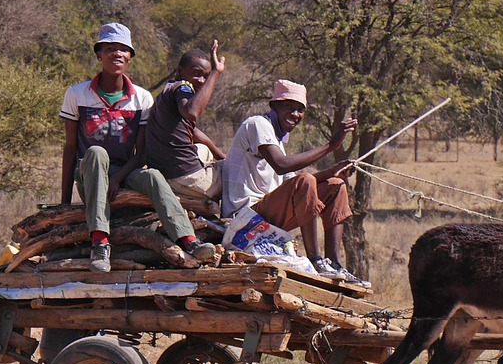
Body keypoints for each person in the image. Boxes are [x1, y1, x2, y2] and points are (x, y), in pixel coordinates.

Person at [59, 22, 217, 272]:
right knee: (97, 152)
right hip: (89, 172)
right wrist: (64, 203)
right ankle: (100, 242)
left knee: (153, 175)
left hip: (124, 171)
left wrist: (119, 178)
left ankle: (187, 239)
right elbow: (70, 148)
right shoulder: (77, 94)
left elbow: (142, 151)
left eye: (123, 49)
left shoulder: (141, 98)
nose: (117, 54)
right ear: (99, 54)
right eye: (110, 48)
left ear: (130, 57)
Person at [221, 79, 368, 286]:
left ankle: (334, 263)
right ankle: (316, 260)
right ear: (274, 106)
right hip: (245, 216)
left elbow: (295, 186)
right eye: (288, 107)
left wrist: (332, 171)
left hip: (268, 214)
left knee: (336, 185)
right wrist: (330, 146)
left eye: (300, 110)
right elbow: (282, 166)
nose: (295, 114)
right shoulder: (257, 124)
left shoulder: (277, 139)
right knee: (306, 179)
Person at [145, 41, 226, 202]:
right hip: (184, 177)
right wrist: (215, 73)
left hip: (166, 172)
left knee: (205, 149)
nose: (202, 81)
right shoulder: (183, 87)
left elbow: (194, 132)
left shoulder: (167, 91)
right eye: (197, 74)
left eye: (206, 76)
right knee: (238, 172)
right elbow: (191, 112)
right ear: (180, 71)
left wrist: (221, 156)